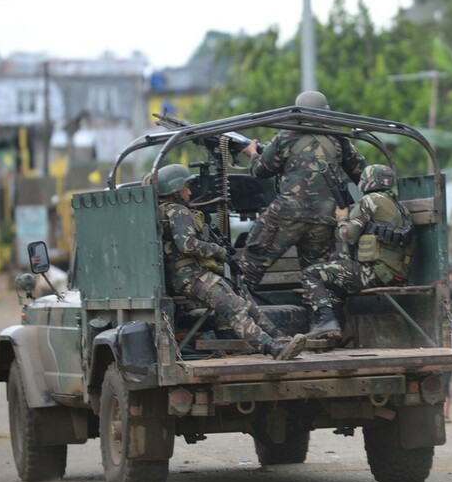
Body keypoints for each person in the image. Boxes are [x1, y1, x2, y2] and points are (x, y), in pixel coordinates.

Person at [156, 164, 305, 360]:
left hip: (188, 275)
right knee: (234, 305)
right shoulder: (178, 211)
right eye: (186, 187)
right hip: (189, 276)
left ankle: (277, 336)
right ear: (175, 189)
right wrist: (219, 251)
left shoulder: (164, 211)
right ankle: (271, 347)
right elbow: (188, 245)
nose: (190, 192)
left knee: (241, 291)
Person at [238, 90, 367, 291]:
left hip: (288, 214)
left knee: (250, 266)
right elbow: (361, 172)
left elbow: (260, 171)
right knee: (318, 277)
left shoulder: (285, 136)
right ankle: (325, 318)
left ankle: (241, 315)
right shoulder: (338, 138)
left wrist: (253, 152)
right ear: (326, 112)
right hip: (325, 219)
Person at [301, 164, 415, 338]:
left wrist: (341, 218)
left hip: (375, 274)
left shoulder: (370, 201)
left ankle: (327, 320)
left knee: (311, 273)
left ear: (367, 181)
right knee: (335, 259)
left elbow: (347, 235)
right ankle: (336, 324)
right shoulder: (400, 208)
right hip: (394, 273)